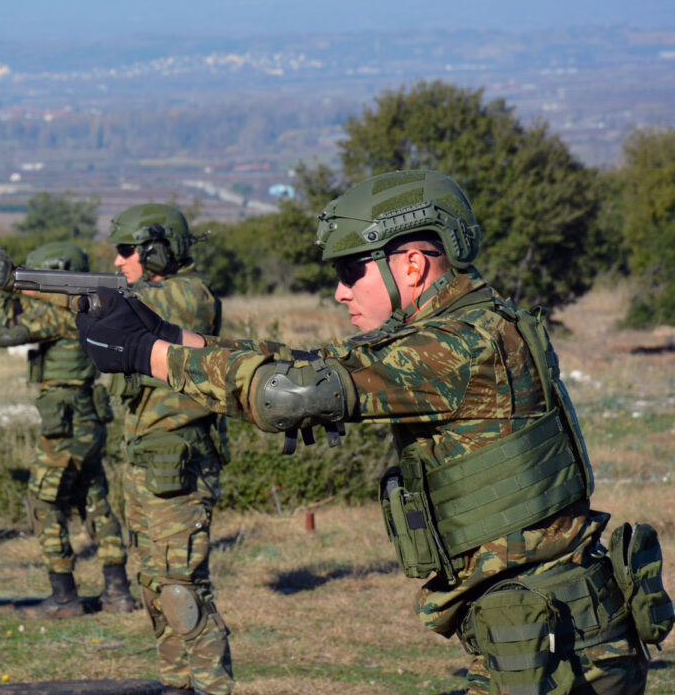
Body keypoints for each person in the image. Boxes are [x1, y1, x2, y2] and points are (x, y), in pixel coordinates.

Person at [77, 171, 669, 695]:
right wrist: (168, 337)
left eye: (350, 270)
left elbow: (293, 395)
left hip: (552, 635)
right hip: (547, 623)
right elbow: (306, 365)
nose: (340, 290)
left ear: (411, 264)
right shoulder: (461, 328)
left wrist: (144, 355)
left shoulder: (455, 347)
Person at [48, 204, 235, 695]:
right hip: (146, 462)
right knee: (153, 586)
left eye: (127, 250)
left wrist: (52, 290)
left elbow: (132, 307)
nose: (118, 260)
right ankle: (177, 684)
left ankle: (212, 687)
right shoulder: (144, 293)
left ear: (158, 250)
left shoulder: (188, 295)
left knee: (182, 586)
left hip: (179, 464)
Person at [0, 240, 135, 617]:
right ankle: (118, 591)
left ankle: (64, 596)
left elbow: (0, 334)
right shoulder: (90, 303)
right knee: (94, 501)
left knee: (43, 502)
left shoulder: (62, 312)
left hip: (66, 420)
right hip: (87, 417)